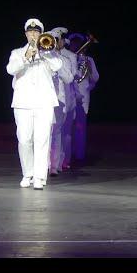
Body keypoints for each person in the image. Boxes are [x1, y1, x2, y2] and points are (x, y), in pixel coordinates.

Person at [6, 18, 62, 189]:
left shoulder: (49, 52)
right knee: (24, 140)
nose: (33, 34)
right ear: (25, 34)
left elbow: (58, 66)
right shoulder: (17, 53)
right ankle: (27, 174)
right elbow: (10, 69)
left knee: (42, 139)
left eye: (36, 32)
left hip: (44, 102)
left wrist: (46, 54)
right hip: (23, 102)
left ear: (41, 34)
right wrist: (26, 57)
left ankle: (39, 177)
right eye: (30, 32)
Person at [46, 29, 75, 175]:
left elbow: (69, 79)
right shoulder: (41, 57)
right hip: (44, 101)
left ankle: (54, 165)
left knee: (56, 133)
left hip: (59, 101)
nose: (53, 43)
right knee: (44, 133)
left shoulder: (64, 60)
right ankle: (43, 164)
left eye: (56, 40)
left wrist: (57, 65)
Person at [69, 32, 99, 164]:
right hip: (69, 94)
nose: (76, 45)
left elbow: (95, 79)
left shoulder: (89, 60)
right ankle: (67, 154)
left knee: (80, 126)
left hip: (83, 96)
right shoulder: (67, 58)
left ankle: (79, 154)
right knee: (68, 125)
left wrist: (87, 88)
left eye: (78, 42)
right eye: (73, 42)